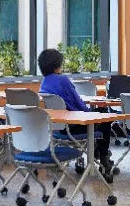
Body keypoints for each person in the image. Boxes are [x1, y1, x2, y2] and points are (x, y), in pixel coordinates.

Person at [38, 48, 115, 177]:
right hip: (74, 126)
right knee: (104, 115)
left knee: (100, 115)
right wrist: (92, 112)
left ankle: (97, 152)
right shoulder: (63, 80)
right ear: (57, 65)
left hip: (56, 128)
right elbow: (80, 105)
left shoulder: (44, 83)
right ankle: (103, 158)